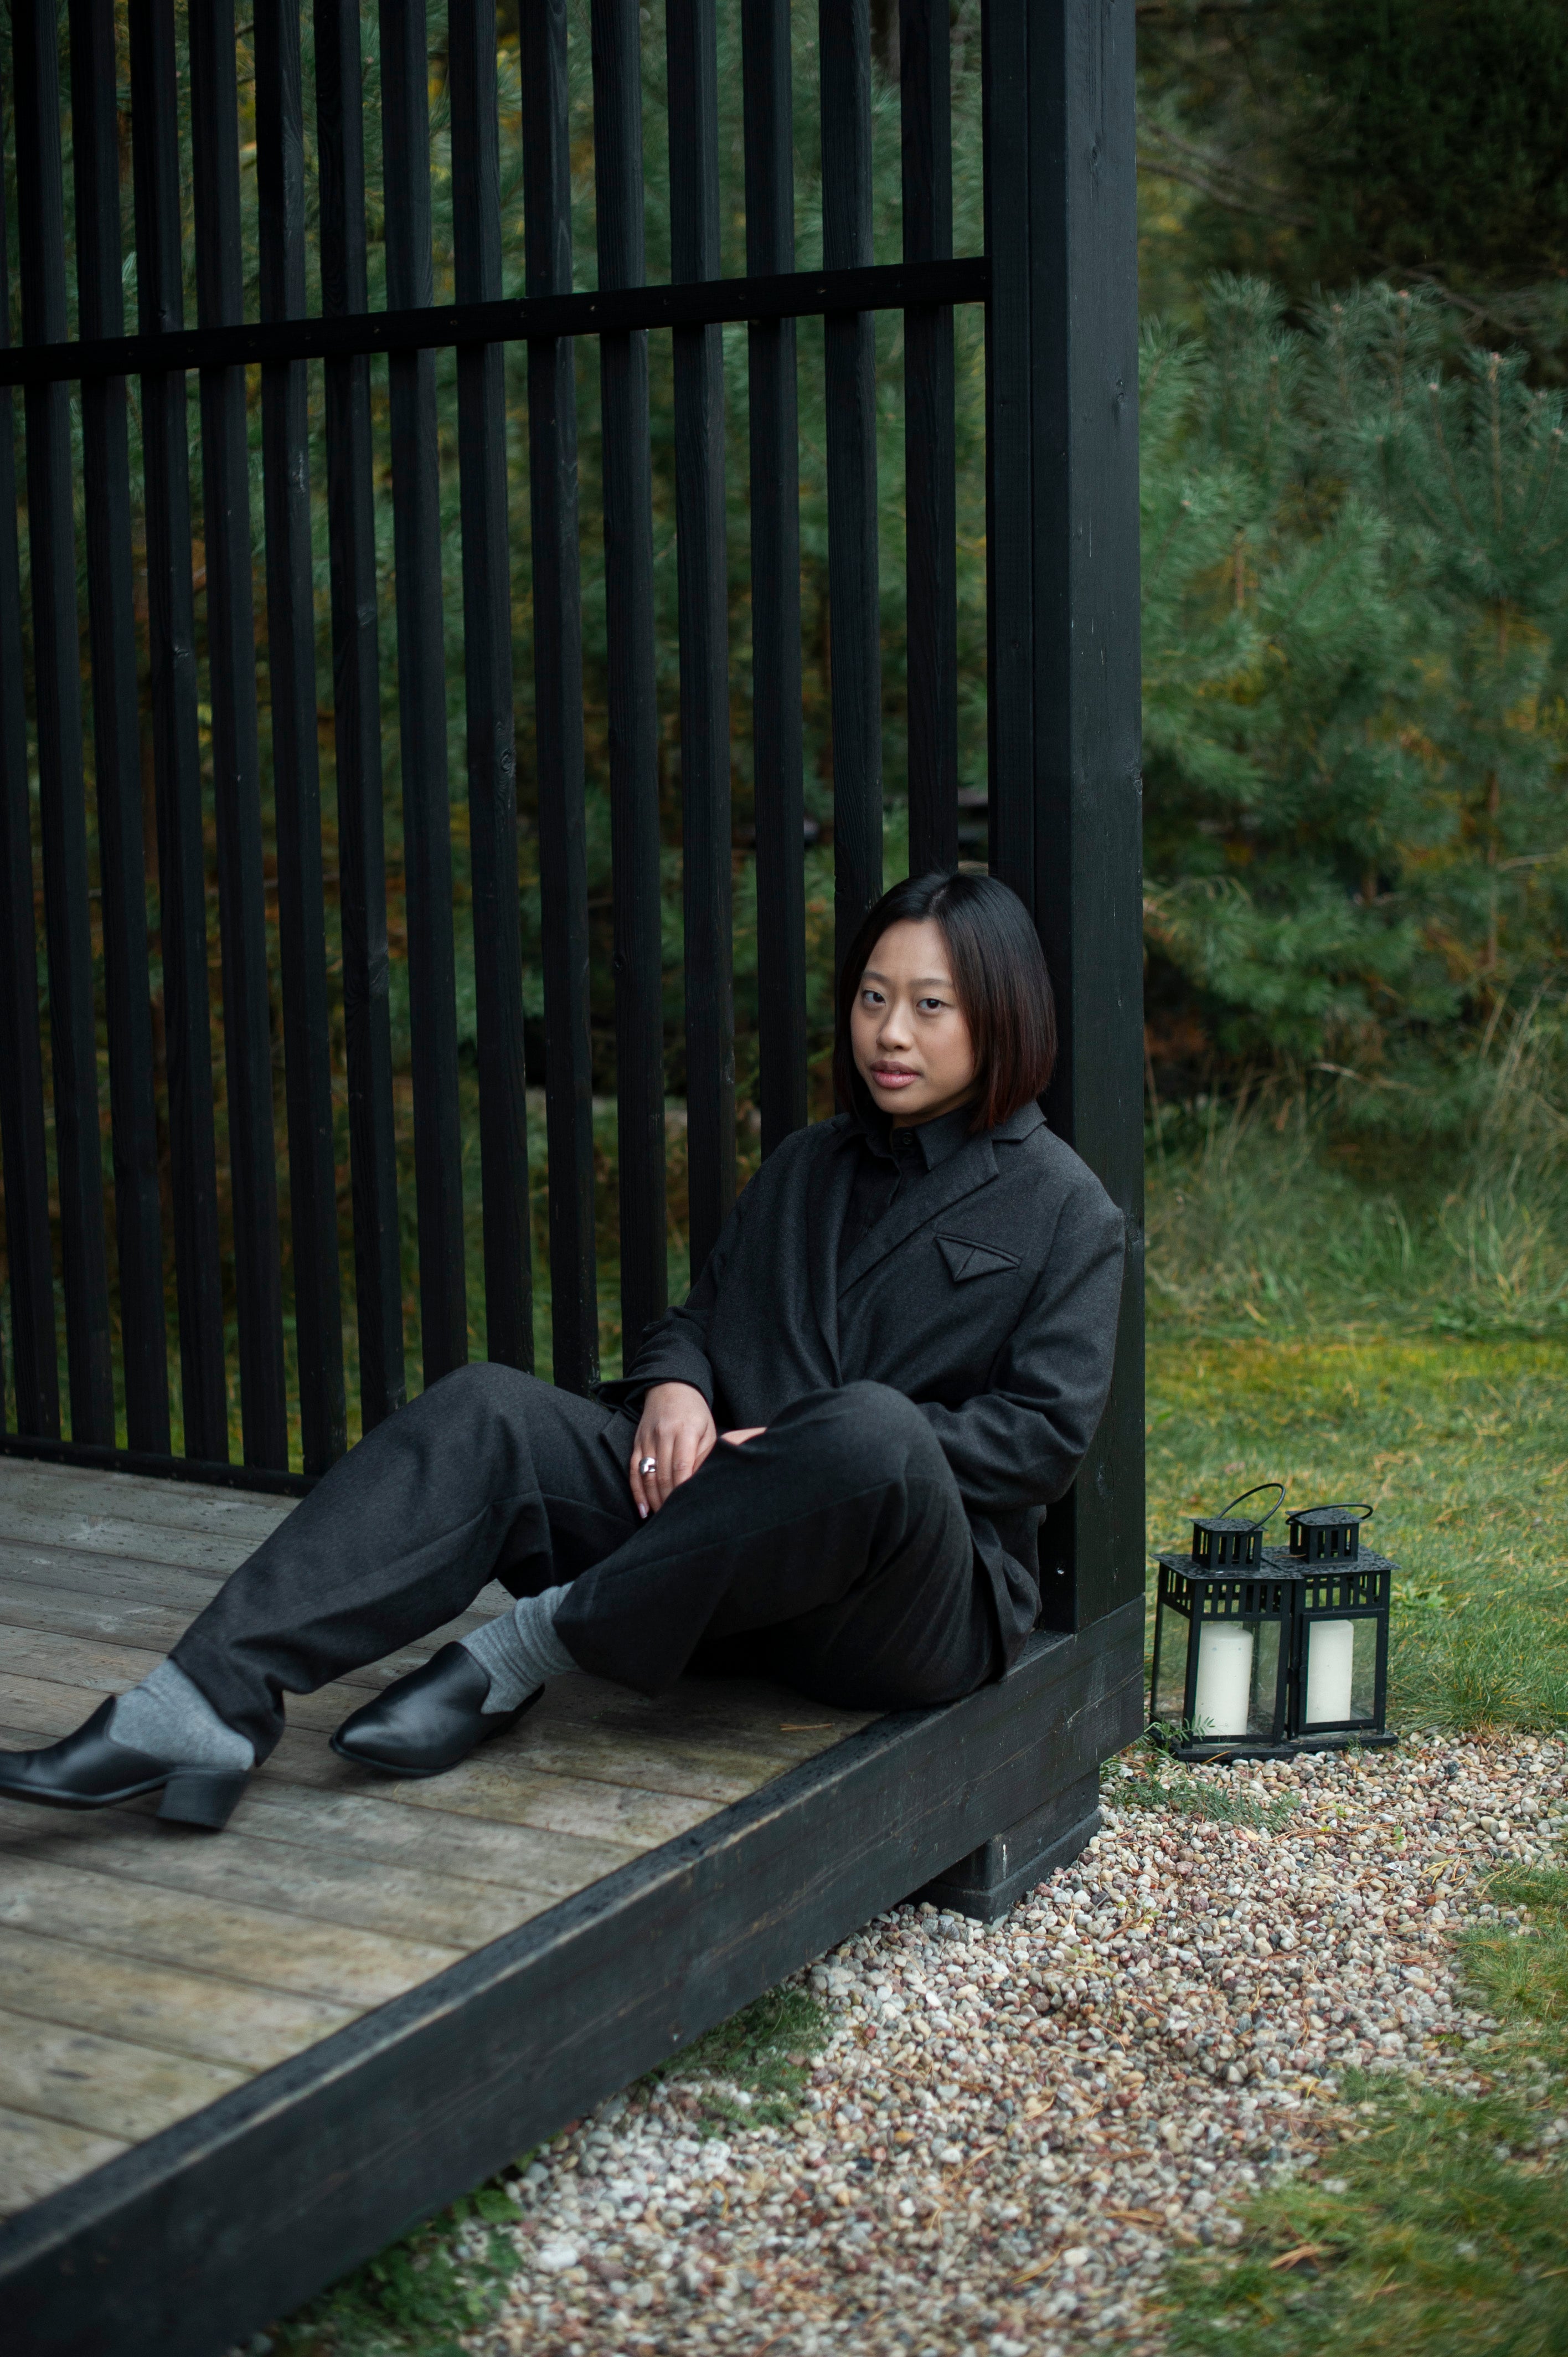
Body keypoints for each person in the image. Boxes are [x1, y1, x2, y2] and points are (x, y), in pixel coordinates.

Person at [0, 871, 1125, 1833]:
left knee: (872, 1430)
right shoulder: (807, 1164)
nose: (890, 1033)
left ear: (1001, 1017)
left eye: (931, 1006)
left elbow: (1038, 1441)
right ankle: (202, 1705)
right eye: (875, 998)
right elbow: (699, 1316)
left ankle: (520, 1654)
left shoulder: (1067, 1211)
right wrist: (676, 1385)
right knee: (489, 1406)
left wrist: (790, 1447)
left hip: (897, 1612)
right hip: (713, 1564)